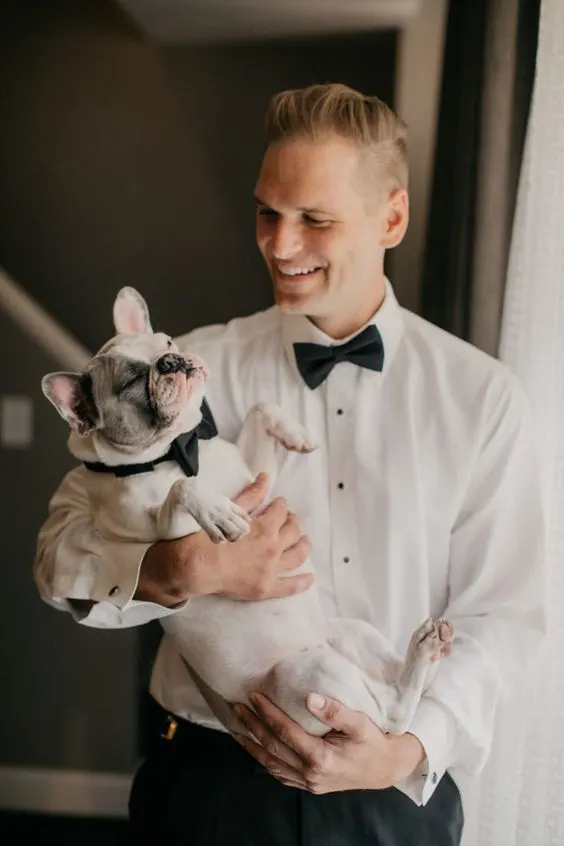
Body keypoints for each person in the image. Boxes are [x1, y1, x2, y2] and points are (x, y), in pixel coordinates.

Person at [33, 83, 546, 845]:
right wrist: (174, 571)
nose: (279, 243)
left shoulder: (483, 399)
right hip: (206, 785)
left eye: (315, 219)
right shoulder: (182, 372)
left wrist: (405, 749)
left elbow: (503, 617)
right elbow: (57, 558)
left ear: (392, 217)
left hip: (391, 793)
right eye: (267, 212)